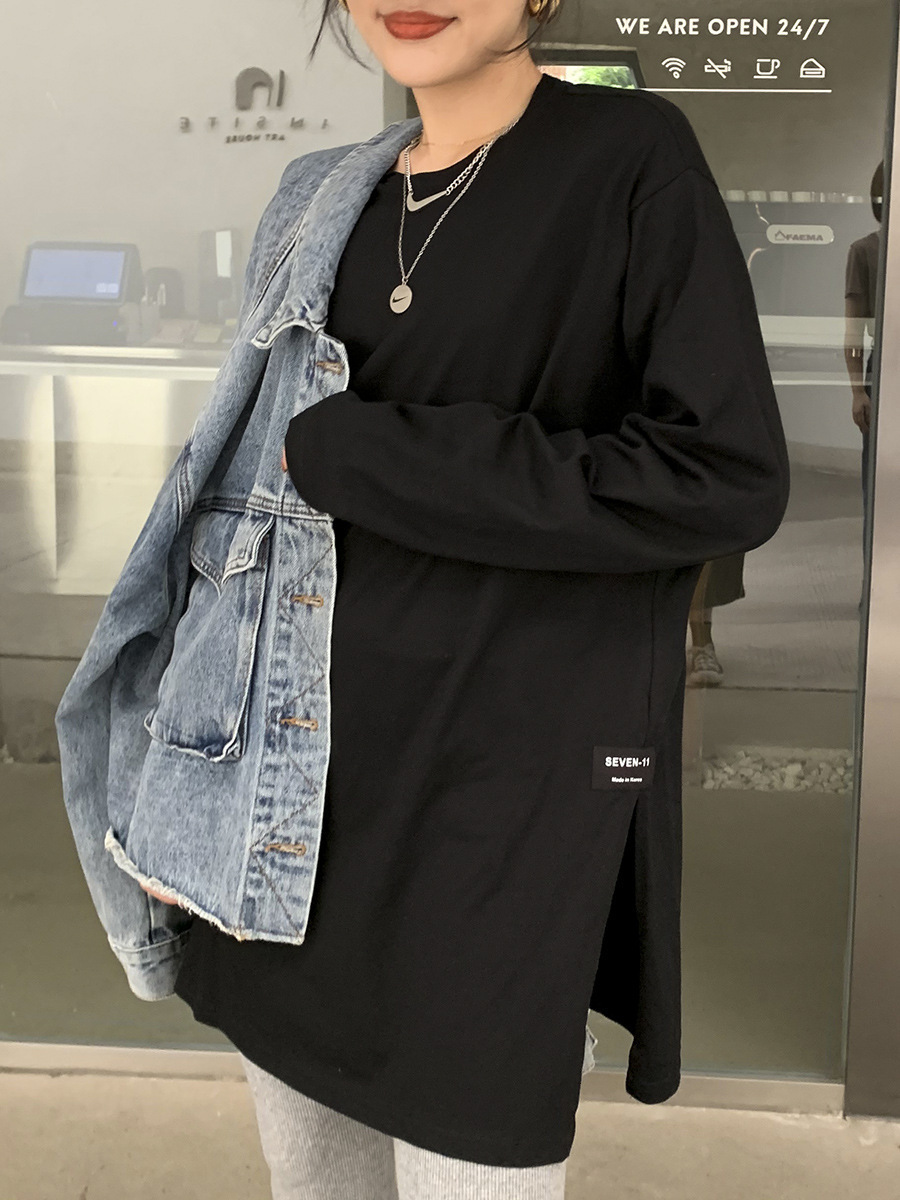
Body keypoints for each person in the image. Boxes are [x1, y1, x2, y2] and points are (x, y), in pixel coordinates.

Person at [73, 2, 789, 1197]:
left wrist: (376, 456)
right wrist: (182, 776)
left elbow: (722, 476)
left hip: (498, 807)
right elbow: (237, 523)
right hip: (290, 804)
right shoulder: (318, 196)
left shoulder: (629, 158)